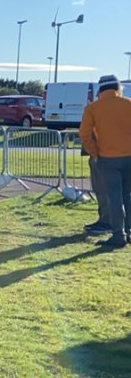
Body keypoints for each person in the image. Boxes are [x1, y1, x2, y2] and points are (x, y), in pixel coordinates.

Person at [79, 74, 131, 249]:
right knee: (127, 195)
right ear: (118, 88)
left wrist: (95, 154)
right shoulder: (129, 104)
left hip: (107, 158)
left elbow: (84, 135)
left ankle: (118, 235)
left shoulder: (93, 108)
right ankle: (129, 232)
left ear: (100, 90)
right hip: (129, 157)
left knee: (114, 197)